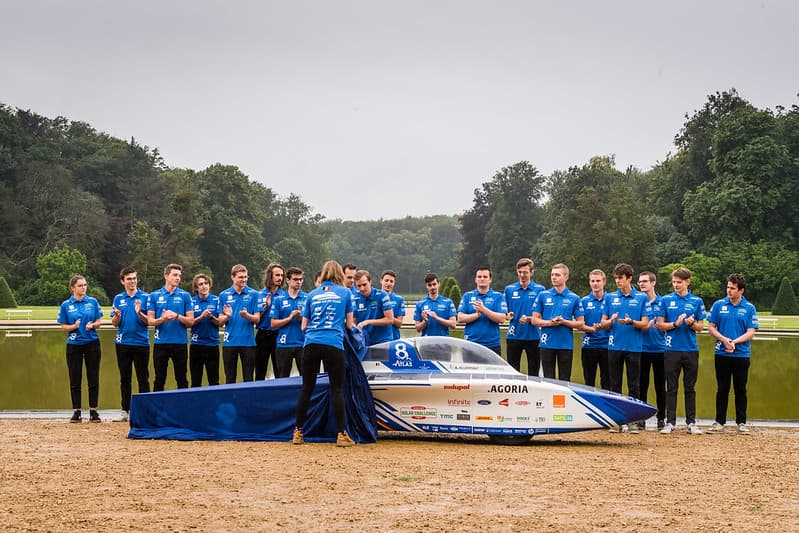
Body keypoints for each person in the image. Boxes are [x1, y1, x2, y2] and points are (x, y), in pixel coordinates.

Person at [293, 260, 356, 447]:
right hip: (333, 343)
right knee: (337, 388)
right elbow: (350, 325)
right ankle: (341, 434)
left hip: (311, 343)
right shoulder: (345, 293)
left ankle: (297, 432)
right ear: (340, 275)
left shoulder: (312, 294)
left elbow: (304, 326)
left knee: (306, 388)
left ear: (323, 275)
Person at [657, 267, 706, 435]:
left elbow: (701, 327)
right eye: (674, 282)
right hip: (671, 350)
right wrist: (675, 324)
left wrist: (691, 323)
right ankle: (669, 422)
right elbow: (659, 324)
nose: (675, 285)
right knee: (671, 387)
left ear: (687, 282)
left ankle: (691, 422)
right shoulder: (665, 300)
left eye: (679, 282)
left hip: (691, 350)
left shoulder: (697, 301)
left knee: (689, 387)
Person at [707, 274, 759, 434]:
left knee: (740, 389)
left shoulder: (749, 308)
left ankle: (741, 422)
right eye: (728, 287)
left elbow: (751, 332)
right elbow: (711, 327)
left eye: (733, 288)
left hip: (741, 355)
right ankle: (719, 422)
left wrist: (734, 342)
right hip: (721, 353)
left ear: (741, 290)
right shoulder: (718, 305)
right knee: (722, 388)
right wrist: (724, 340)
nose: (729, 290)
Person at [602, 263, 650, 433]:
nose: (617, 281)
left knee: (634, 385)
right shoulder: (610, 298)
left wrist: (631, 322)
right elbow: (603, 324)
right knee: (614, 385)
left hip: (634, 347)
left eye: (620, 278)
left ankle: (633, 421)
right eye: (615, 278)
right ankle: (615, 421)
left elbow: (645, 324)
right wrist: (611, 320)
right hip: (614, 346)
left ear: (629, 278)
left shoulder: (641, 298)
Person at [58, 274, 103, 423]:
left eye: (85, 285)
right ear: (72, 288)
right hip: (74, 345)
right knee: (75, 378)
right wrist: (74, 327)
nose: (83, 288)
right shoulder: (66, 305)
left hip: (92, 343)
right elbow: (63, 326)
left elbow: (99, 321)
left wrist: (93, 325)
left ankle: (93, 411)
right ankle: (76, 411)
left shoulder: (93, 302)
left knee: (93, 377)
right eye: (80, 285)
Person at [110, 267, 150, 422]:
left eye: (134, 278)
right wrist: (117, 316)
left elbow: (149, 322)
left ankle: (145, 411)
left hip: (141, 342)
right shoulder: (118, 299)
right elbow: (114, 323)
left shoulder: (145, 297)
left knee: (143, 378)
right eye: (129, 279)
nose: (132, 281)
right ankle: (125, 410)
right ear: (122, 281)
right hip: (123, 343)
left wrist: (140, 312)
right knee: (125, 378)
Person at [532, 263, 584, 380]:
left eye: (557, 275)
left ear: (566, 277)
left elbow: (580, 323)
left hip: (565, 345)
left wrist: (564, 322)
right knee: (548, 380)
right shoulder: (543, 295)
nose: (553, 277)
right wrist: (550, 323)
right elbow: (535, 320)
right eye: (552, 275)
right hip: (547, 344)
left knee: (564, 381)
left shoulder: (574, 298)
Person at [147, 264, 194, 391]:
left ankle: (183, 409)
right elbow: (150, 321)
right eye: (175, 275)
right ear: (166, 276)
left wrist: (177, 315)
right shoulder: (154, 296)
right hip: (161, 343)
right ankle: (157, 409)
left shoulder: (185, 296)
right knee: (159, 379)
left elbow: (191, 321)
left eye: (179, 275)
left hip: (180, 343)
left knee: (182, 379)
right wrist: (162, 319)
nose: (178, 278)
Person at [218, 264, 261, 383]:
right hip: (229, 343)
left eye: (245, 277)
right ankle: (231, 401)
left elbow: (257, 319)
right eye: (240, 277)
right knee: (230, 378)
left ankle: (248, 401)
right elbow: (220, 322)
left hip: (248, 343)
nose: (244, 280)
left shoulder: (254, 294)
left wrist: (246, 315)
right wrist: (227, 316)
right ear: (232, 277)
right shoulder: (223, 295)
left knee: (248, 379)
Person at [504, 258, 545, 375]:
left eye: (525, 272)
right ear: (517, 272)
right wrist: (508, 315)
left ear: (532, 273)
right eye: (520, 272)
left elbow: (543, 314)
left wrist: (529, 319)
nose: (522, 275)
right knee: (512, 372)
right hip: (514, 336)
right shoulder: (509, 290)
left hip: (534, 336)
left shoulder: (540, 290)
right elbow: (504, 311)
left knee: (534, 372)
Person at [638, 270, 666, 430]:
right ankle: (641, 419)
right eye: (640, 282)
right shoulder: (638, 301)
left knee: (660, 386)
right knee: (642, 386)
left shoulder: (663, 302)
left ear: (653, 283)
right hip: (641, 349)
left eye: (645, 281)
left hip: (660, 349)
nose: (641, 284)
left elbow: (668, 323)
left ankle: (661, 418)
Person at [458, 266, 508, 356]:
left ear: (490, 280)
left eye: (485, 277)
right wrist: (476, 315)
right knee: (470, 370)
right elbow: (460, 318)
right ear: (475, 279)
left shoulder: (498, 296)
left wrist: (484, 310)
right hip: (471, 343)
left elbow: (502, 319)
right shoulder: (467, 296)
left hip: (492, 345)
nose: (482, 279)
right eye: (479, 277)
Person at [269, 267, 307, 378]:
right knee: (282, 378)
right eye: (295, 279)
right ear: (288, 280)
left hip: (303, 344)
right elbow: (273, 324)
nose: (298, 282)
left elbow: (313, 323)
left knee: (306, 379)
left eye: (300, 279)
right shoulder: (278, 299)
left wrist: (301, 317)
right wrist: (290, 318)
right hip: (284, 344)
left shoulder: (307, 298)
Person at [189, 273, 221, 387]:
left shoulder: (217, 300)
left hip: (212, 345)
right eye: (201, 284)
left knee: (214, 381)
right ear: (196, 287)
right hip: (196, 345)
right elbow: (189, 323)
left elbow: (221, 323)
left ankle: (214, 404)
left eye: (206, 283)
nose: (204, 286)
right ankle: (196, 404)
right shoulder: (191, 301)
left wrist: (211, 317)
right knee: (195, 382)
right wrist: (202, 316)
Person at [579, 269, 610, 390]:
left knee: (607, 383)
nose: (595, 284)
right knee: (588, 382)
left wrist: (605, 324)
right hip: (589, 346)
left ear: (604, 282)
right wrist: (591, 329)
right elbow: (580, 324)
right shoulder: (584, 301)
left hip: (607, 346)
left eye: (598, 281)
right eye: (592, 281)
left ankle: (606, 408)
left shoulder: (611, 300)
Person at [255, 263, 285, 380]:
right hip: (263, 335)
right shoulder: (259, 295)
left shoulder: (284, 296)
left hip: (279, 335)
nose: (280, 278)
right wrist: (265, 308)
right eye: (277, 275)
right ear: (270, 276)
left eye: (282, 275)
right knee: (260, 371)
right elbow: (256, 319)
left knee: (280, 371)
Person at [353, 270, 395, 345]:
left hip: (383, 341)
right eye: (359, 286)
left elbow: (390, 319)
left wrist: (368, 322)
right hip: (364, 342)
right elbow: (353, 321)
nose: (362, 288)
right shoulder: (355, 298)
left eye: (364, 284)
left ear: (370, 282)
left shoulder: (382, 295)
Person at [380, 270, 405, 340]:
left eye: (391, 281)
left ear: (394, 283)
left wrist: (389, 317)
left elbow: (399, 324)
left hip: (394, 340)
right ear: (381, 281)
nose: (388, 283)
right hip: (377, 340)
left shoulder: (399, 299)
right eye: (386, 280)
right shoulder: (375, 297)